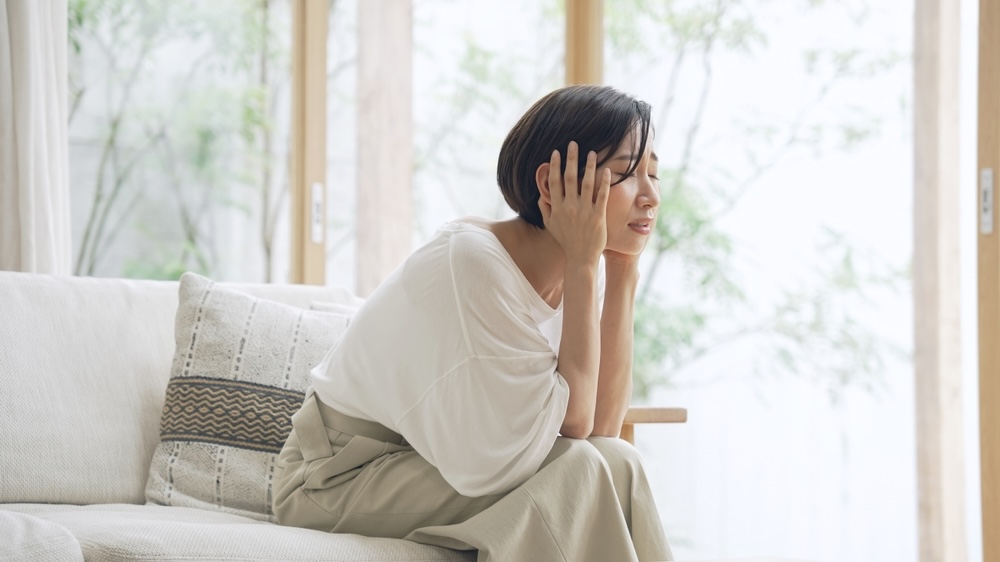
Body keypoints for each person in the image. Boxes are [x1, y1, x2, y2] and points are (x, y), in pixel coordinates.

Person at [273, 84, 672, 562]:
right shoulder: (473, 263)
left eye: (654, 173)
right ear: (552, 185)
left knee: (619, 460)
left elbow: (604, 426)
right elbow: (577, 426)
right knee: (581, 469)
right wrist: (588, 264)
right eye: (627, 173)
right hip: (337, 476)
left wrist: (624, 270)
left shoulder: (584, 270)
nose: (650, 196)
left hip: (433, 461)